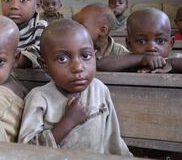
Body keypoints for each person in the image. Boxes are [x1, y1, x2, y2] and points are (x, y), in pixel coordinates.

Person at [18, 19, 131, 156]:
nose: (78, 67)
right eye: (62, 59)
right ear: (44, 65)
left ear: (95, 56)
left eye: (85, 56)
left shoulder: (99, 89)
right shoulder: (39, 99)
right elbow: (26, 152)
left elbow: (112, 140)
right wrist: (68, 122)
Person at [100, 8, 182, 73]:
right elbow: (101, 65)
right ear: (129, 44)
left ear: (171, 43)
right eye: (141, 41)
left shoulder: (174, 59)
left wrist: (171, 63)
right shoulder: (127, 61)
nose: (151, 47)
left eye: (160, 41)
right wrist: (142, 59)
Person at [1, 0, 47, 69]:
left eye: (23, 0)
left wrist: (21, 59)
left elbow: (41, 52)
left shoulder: (41, 28)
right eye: (7, 0)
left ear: (37, 6)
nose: (14, 6)